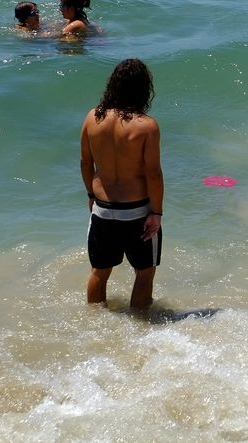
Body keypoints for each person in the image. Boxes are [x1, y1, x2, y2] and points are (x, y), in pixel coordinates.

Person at [81, 59, 164, 309]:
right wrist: (157, 213)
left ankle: (96, 325)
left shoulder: (92, 118)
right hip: (136, 211)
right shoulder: (146, 126)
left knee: (99, 272)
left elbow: (86, 163)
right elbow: (153, 174)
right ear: (143, 89)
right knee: (145, 271)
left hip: (103, 208)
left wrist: (90, 194)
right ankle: (140, 326)